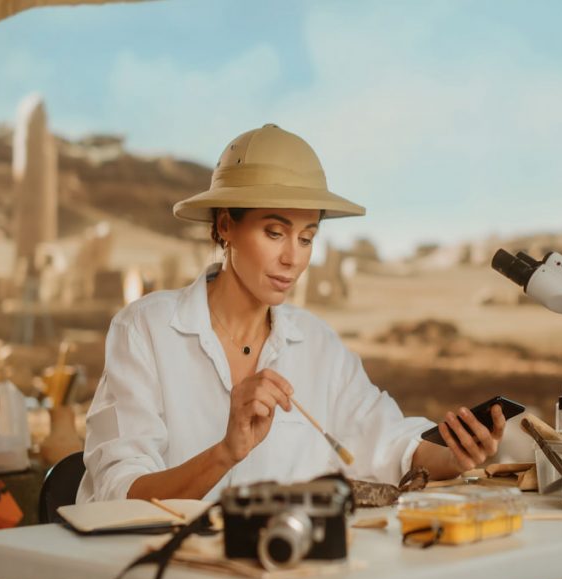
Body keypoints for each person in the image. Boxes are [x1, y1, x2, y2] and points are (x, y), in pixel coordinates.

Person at [77, 124, 506, 503]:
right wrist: (226, 452)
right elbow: (122, 492)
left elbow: (391, 446)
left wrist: (455, 452)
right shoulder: (146, 330)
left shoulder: (317, 345)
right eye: (275, 232)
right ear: (225, 226)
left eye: (306, 238)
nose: (292, 259)